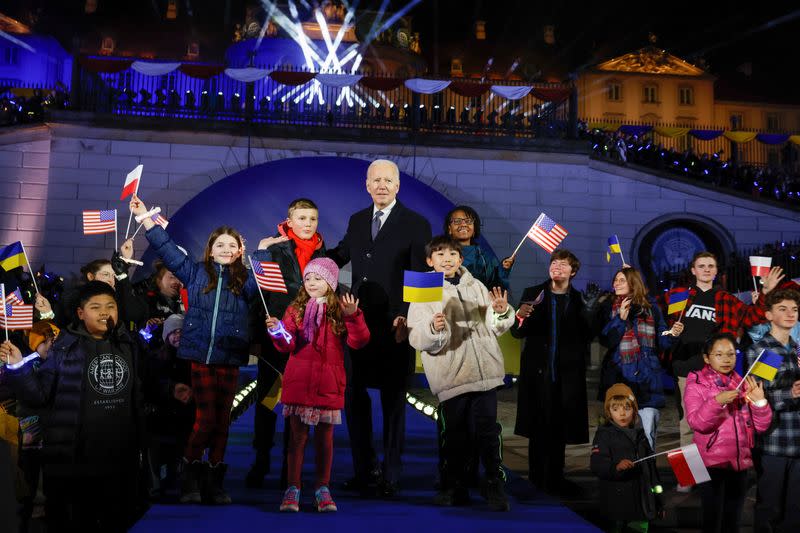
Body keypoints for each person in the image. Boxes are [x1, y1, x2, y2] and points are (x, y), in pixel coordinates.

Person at [130, 194, 271, 505]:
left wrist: (261, 250)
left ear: (239, 252)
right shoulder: (194, 273)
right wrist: (145, 219)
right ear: (210, 249)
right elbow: (167, 249)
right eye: (220, 245)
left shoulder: (245, 281)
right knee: (205, 419)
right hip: (199, 358)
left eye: (232, 246)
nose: (225, 250)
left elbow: (263, 287)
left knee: (222, 422)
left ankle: (214, 483)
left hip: (229, 357)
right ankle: (189, 476)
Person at [0, 281, 149, 532]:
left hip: (121, 459)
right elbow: (39, 396)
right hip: (76, 461)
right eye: (96, 307)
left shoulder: (130, 345)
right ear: (81, 313)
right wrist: (18, 367)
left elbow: (147, 387)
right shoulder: (64, 347)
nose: (104, 312)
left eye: (110, 306)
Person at [328, 159, 431, 497]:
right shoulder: (357, 220)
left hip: (395, 327)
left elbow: (423, 278)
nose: (382, 185)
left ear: (398, 186)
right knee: (354, 398)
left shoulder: (417, 224)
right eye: (376, 180)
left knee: (393, 402)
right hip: (357, 326)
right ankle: (364, 469)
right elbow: (340, 255)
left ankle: (391, 473)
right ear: (367, 185)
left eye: (389, 180)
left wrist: (407, 318)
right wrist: (301, 253)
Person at [407, 236, 515, 511]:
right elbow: (416, 336)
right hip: (452, 375)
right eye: (440, 254)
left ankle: (493, 484)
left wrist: (501, 313)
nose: (447, 258)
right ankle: (451, 484)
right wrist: (433, 328)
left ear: (461, 258)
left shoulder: (476, 285)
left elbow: (494, 327)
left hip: (486, 374)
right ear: (430, 261)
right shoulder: (424, 288)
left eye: (453, 253)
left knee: (488, 433)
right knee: (454, 435)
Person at [267, 258, 369, 512]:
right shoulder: (296, 308)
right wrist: (278, 332)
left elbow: (359, 342)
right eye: (308, 278)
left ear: (331, 282)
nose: (312, 283)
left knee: (325, 440)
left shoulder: (341, 309)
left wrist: (353, 317)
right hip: (299, 383)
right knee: (296, 440)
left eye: (318, 278)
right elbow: (287, 344)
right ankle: (293, 488)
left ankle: (322, 488)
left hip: (328, 384)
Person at [663, 251, 783, 450]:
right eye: (701, 266)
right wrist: (670, 333)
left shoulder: (725, 299)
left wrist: (766, 292)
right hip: (686, 369)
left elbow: (754, 316)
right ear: (693, 270)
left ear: (716, 271)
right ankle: (688, 480)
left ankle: (714, 473)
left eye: (711, 266)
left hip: (720, 372)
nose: (706, 269)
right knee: (687, 426)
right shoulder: (678, 296)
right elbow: (660, 325)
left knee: (722, 422)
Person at [246, 198, 327, 489]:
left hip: (308, 344)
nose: (307, 224)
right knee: (268, 401)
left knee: (296, 407)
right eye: (302, 218)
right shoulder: (274, 248)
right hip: (276, 338)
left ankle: (288, 466)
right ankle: (261, 459)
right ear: (289, 221)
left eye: (312, 219)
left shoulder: (324, 255)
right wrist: (261, 251)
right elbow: (258, 292)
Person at [510, 249, 598, 495]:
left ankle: (556, 479)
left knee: (560, 430)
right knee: (537, 428)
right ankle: (536, 479)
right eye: (554, 263)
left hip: (567, 375)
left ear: (573, 271)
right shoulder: (533, 294)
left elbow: (589, 335)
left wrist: (590, 312)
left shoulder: (581, 299)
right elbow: (517, 333)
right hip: (538, 373)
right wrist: (520, 317)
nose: (557, 267)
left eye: (563, 264)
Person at [685, 333, 772, 533]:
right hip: (709, 463)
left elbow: (760, 427)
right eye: (719, 354)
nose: (726, 359)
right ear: (707, 358)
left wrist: (760, 402)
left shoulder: (741, 382)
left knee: (733, 522)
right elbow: (697, 423)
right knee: (712, 520)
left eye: (731, 354)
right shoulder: (696, 383)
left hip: (739, 462)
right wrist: (717, 401)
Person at [598, 267, 682, 449]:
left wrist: (672, 334)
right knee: (620, 435)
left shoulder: (651, 309)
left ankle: (648, 474)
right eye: (615, 280)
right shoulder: (608, 307)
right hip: (620, 376)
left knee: (647, 434)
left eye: (621, 280)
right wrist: (620, 319)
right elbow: (606, 340)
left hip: (647, 377)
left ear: (633, 283)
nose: (616, 284)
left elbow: (662, 340)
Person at [744, 288, 800, 531]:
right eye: (783, 309)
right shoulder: (768, 351)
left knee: (795, 509)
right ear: (768, 315)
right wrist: (791, 393)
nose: (790, 314)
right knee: (770, 508)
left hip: (797, 441)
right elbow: (758, 399)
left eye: (795, 309)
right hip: (776, 442)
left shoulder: (796, 348)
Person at [590, 383, 663, 533]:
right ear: (609, 413)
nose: (622, 414)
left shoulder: (641, 436)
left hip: (642, 505)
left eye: (627, 408)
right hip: (617, 506)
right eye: (615, 409)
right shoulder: (604, 435)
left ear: (635, 411)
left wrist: (658, 501)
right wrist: (616, 467)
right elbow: (597, 463)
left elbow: (652, 472)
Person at [143, 313, 194, 500]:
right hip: (159, 415)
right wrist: (170, 389)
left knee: (179, 452)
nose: (178, 335)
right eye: (174, 332)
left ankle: (178, 482)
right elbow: (149, 384)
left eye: (181, 331)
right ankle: (155, 487)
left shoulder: (191, 359)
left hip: (182, 415)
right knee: (155, 452)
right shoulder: (155, 358)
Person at [15, 320, 59, 532]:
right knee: (31, 473)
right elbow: (34, 396)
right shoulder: (25, 363)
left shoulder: (59, 360)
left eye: (52, 340)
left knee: (51, 475)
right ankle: (32, 512)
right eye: (45, 341)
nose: (50, 345)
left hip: (55, 427)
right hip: (31, 424)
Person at [443, 205, 513, 291]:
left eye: (468, 221)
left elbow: (497, 287)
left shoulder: (485, 257)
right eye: (457, 221)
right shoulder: (440, 254)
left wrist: (503, 270)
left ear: (474, 229)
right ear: (449, 229)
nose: (463, 224)